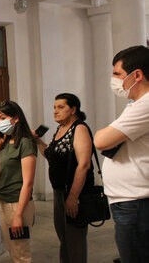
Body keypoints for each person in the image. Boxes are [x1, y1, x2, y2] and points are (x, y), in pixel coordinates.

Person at [94, 45, 149, 263]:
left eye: (117, 74)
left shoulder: (145, 105)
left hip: (136, 201)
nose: (113, 80)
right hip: (129, 199)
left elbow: (100, 140)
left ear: (137, 75)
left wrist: (104, 132)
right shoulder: (135, 104)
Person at [37, 93, 94, 263]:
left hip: (74, 192)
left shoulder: (79, 128)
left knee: (74, 240)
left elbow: (84, 165)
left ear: (73, 109)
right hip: (59, 191)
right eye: (54, 107)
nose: (55, 111)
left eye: (61, 107)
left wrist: (73, 197)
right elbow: (51, 155)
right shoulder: (60, 129)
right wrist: (38, 142)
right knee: (64, 238)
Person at [0, 100, 37, 263]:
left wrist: (18, 214)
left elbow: (28, 182)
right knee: (13, 248)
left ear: (16, 119)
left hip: (18, 204)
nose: (0, 122)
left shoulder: (25, 143)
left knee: (21, 253)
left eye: (3, 117)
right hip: (3, 201)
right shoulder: (5, 142)